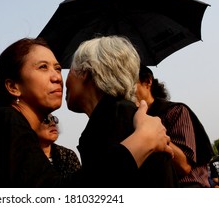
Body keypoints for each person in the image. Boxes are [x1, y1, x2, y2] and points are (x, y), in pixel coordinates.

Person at [0, 37, 173, 188]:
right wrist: (141, 142)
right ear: (13, 86)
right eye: (43, 67)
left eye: (59, 68)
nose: (57, 77)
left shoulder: (13, 126)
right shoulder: (4, 120)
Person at [65, 35, 178, 187]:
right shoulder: (124, 115)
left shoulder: (116, 118)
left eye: (70, 70)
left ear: (85, 72)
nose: (63, 80)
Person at [136, 65, 214, 187]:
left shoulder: (176, 111)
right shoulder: (132, 118)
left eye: (131, 82)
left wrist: (150, 130)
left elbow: (184, 166)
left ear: (148, 81)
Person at [35, 113, 81, 178]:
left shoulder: (68, 155)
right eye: (46, 120)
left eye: (54, 119)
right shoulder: (21, 156)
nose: (53, 123)